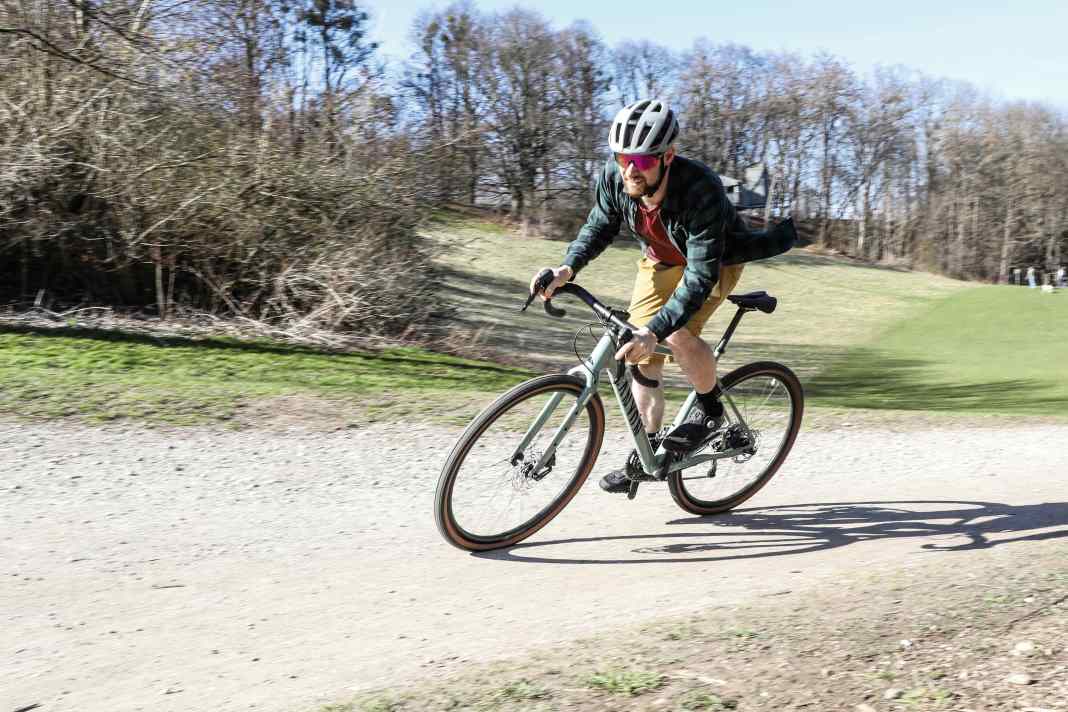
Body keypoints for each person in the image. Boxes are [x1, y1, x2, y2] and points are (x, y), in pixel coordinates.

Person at [529, 98, 796, 493]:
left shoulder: (699, 190)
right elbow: (599, 225)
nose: (630, 169)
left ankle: (710, 408)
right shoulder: (615, 177)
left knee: (671, 334)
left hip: (713, 263)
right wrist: (567, 268)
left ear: (668, 156)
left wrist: (654, 330)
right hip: (658, 261)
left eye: (642, 160)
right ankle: (648, 453)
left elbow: (700, 276)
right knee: (639, 355)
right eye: (622, 158)